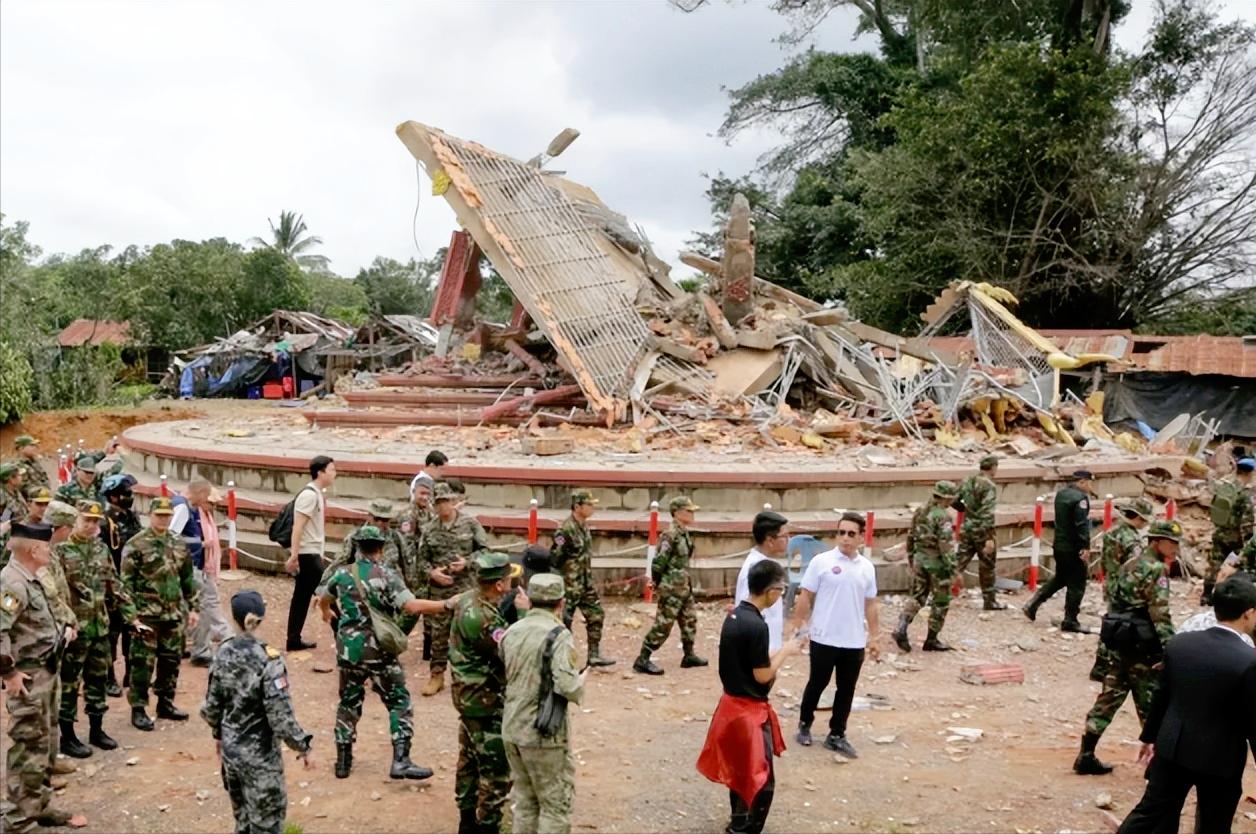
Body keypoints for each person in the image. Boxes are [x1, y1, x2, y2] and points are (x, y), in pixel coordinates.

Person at [1115, 575, 1256, 834]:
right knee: (1214, 824)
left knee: (1149, 813)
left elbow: (1163, 695)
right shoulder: (1249, 659)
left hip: (1173, 748)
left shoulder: (1180, 643)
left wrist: (1149, 736)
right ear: (1248, 614)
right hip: (1220, 759)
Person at [318, 525, 452, 780]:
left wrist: (326, 611)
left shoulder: (342, 574)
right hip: (379, 651)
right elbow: (411, 606)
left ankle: (343, 761)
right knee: (398, 700)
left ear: (357, 547)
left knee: (348, 702)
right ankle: (401, 760)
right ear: (380, 549)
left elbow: (324, 597)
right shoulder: (387, 575)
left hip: (349, 651)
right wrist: (446, 604)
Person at [698, 559, 801, 834]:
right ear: (771, 591)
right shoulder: (757, 626)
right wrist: (785, 652)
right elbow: (762, 676)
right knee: (762, 778)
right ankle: (747, 829)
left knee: (738, 771)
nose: (780, 595)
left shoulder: (734, 616)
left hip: (730, 705)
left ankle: (738, 820)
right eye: (781, 589)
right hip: (748, 711)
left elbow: (743, 660)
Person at [201, 590, 315, 834]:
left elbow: (211, 707)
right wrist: (302, 745)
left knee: (242, 822)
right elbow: (280, 716)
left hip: (232, 756)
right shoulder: (269, 660)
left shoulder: (222, 652)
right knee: (267, 826)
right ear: (261, 618)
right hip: (260, 760)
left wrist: (218, 736)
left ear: (233, 618)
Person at [1075, 520, 1179, 775]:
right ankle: (1156, 766)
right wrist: (1170, 651)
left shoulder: (1129, 564)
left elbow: (1113, 600)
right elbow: (1160, 615)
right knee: (1151, 706)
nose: (1176, 548)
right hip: (1143, 647)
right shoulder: (1156, 570)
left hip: (1119, 640)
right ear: (1156, 542)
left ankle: (1086, 754)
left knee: (1108, 700)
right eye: (1171, 543)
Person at [1, 522, 86, 832]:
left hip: (46, 671)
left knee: (45, 742)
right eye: (47, 546)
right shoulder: (12, 584)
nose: (51, 551)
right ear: (34, 550)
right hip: (29, 678)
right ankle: (17, 819)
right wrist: (8, 672)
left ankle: (39, 806)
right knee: (28, 744)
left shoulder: (30, 577)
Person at [54, 500, 142, 758]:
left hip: (99, 627)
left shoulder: (101, 549)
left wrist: (132, 618)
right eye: (87, 520)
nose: (92, 525)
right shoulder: (60, 551)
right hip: (74, 631)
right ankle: (67, 736)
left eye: (95, 521)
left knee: (97, 680)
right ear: (75, 521)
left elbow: (114, 586)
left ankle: (96, 729)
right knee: (69, 684)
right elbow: (55, 594)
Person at [501, 573, 586, 834]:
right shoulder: (559, 635)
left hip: (512, 727)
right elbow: (568, 686)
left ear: (530, 600)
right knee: (554, 805)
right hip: (543, 733)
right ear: (560, 603)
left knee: (525, 802)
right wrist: (582, 680)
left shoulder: (511, 631)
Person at [792, 511, 880, 756]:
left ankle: (837, 733)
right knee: (817, 683)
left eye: (851, 534)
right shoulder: (822, 562)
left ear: (861, 537)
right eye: (841, 533)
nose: (845, 538)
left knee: (846, 688)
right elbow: (806, 594)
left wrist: (875, 636)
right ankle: (804, 724)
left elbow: (871, 603)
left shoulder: (867, 568)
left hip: (852, 639)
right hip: (824, 636)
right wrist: (798, 625)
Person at [121, 496, 201, 731]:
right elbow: (125, 584)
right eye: (159, 516)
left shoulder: (178, 543)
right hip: (146, 616)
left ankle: (165, 703)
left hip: (173, 615)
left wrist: (193, 607)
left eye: (167, 516)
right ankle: (138, 708)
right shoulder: (136, 545)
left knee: (171, 661)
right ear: (151, 516)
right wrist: (131, 616)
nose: (164, 520)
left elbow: (187, 578)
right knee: (142, 665)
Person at [450, 551, 515, 834]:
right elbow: (510, 653)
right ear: (499, 585)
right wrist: (523, 614)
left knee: (468, 760)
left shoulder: (467, 599)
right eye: (508, 580)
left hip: (466, 695)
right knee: (495, 769)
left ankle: (466, 821)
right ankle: (487, 825)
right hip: (485, 699)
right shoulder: (486, 619)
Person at [416, 481, 489, 696]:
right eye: (438, 503)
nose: (442, 507)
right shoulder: (429, 530)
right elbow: (421, 562)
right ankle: (437, 676)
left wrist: (467, 562)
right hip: (440, 592)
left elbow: (486, 552)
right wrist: (432, 573)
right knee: (439, 636)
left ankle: (471, 678)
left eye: (446, 502)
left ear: (453, 502)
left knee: (471, 633)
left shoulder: (470, 524)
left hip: (466, 589)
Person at [634, 496, 708, 675]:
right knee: (663, 625)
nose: (692, 514)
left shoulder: (683, 533)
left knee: (689, 619)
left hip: (683, 585)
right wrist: (658, 583)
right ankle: (643, 658)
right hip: (671, 587)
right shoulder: (670, 535)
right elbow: (659, 562)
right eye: (688, 511)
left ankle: (688, 655)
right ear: (677, 512)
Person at [893, 481, 960, 653]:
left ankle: (902, 626)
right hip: (937, 563)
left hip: (919, 559)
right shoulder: (942, 516)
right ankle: (931, 639)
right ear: (948, 498)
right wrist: (954, 569)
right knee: (941, 602)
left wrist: (911, 558)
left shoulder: (921, 511)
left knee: (918, 596)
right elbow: (945, 545)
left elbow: (910, 536)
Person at [1025, 470, 1095, 632]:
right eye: (1090, 483)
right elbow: (1081, 525)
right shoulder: (1080, 499)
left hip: (1060, 545)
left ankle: (1033, 604)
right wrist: (1085, 546)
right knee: (1077, 583)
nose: (1091, 486)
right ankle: (1070, 620)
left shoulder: (1061, 495)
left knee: (1061, 578)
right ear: (1082, 482)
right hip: (1073, 547)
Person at [171, 479, 232, 666]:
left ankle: (181, 646)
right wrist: (200, 544)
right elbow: (171, 536)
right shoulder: (182, 508)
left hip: (191, 564)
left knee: (185, 606)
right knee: (202, 607)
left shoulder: (185, 507)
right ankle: (201, 650)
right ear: (198, 493)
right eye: (206, 497)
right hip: (190, 565)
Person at [550, 490, 614, 667]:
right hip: (569, 585)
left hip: (585, 583)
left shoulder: (584, 527)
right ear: (577, 507)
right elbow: (555, 558)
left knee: (596, 615)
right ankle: (562, 658)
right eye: (589, 504)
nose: (592, 508)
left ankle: (594, 654)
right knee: (564, 622)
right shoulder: (565, 530)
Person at [285, 455, 336, 652]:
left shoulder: (315, 494)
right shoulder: (310, 495)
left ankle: (293, 638)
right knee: (328, 593)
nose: (334, 474)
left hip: (311, 552)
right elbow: (298, 527)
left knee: (302, 597)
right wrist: (295, 554)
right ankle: (345, 637)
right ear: (320, 472)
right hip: (308, 554)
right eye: (331, 470)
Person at [100, 473, 141, 697]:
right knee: (111, 634)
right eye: (126, 494)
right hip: (112, 585)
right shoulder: (105, 522)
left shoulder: (131, 517)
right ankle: (108, 677)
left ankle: (130, 674)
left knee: (131, 631)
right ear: (114, 497)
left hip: (131, 585)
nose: (130, 497)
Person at [734, 511, 789, 653]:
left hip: (768, 644)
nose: (788, 540)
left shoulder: (767, 564)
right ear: (770, 540)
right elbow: (748, 611)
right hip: (758, 649)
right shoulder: (754, 570)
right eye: (784, 536)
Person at [955, 455, 1005, 610]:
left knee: (957, 564)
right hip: (982, 531)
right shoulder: (989, 485)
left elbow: (954, 500)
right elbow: (987, 513)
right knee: (987, 566)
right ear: (993, 467)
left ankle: (936, 595)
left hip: (967, 526)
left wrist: (966, 510)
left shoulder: (968, 480)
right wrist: (989, 537)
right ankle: (989, 601)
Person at [1203, 457, 1254, 605]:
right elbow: (1247, 522)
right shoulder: (1246, 495)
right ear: (1250, 473)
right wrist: (1248, 542)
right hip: (1236, 537)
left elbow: (1213, 509)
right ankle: (1234, 596)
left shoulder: (1224, 487)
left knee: (1214, 563)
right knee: (1239, 565)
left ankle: (1206, 595)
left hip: (1219, 532)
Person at [1100, 499, 1152, 601]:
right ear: (1138, 518)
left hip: (1111, 584)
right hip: (1126, 591)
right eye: (1145, 521)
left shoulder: (1112, 531)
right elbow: (1137, 567)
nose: (1146, 524)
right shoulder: (1132, 539)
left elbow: (1104, 560)